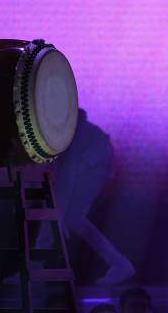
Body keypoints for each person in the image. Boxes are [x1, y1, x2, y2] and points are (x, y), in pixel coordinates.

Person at [36, 108, 135, 285]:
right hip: (91, 159)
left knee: (59, 215)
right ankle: (119, 262)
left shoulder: (69, 138)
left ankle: (35, 267)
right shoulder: (57, 133)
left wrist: (58, 216)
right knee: (72, 218)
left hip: (93, 160)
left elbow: (67, 178)